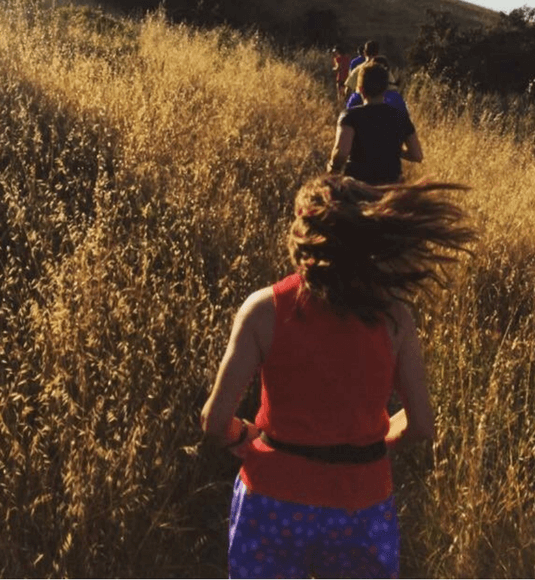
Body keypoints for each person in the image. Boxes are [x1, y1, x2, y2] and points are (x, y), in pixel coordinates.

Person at [201, 175, 477, 579]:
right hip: (361, 505)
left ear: (302, 238)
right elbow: (421, 425)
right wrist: (367, 444)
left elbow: (213, 421)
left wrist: (244, 437)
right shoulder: (395, 318)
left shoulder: (263, 310)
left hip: (272, 498)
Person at [328, 61, 423, 185]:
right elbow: (417, 155)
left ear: (361, 90)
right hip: (392, 186)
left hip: (358, 186)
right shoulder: (401, 116)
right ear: (385, 89)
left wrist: (332, 167)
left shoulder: (350, 116)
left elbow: (341, 153)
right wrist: (391, 148)